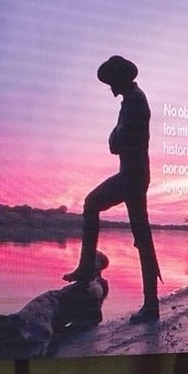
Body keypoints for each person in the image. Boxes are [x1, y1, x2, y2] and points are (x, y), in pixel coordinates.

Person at [64, 55, 162, 324]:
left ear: (121, 78)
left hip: (133, 176)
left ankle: (150, 305)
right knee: (133, 231)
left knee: (137, 234)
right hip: (131, 175)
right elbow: (115, 141)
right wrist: (116, 136)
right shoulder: (130, 101)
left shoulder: (135, 101)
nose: (110, 88)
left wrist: (116, 135)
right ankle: (87, 269)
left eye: (111, 82)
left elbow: (117, 142)